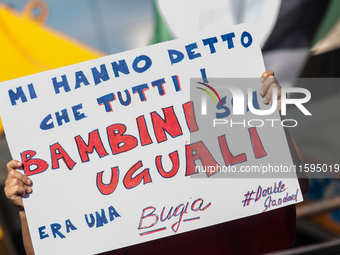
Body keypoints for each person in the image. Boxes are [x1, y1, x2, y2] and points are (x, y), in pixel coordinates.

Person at [4, 71, 309, 255]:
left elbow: (296, 186)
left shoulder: (216, 200)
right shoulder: (111, 223)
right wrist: (27, 209)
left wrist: (275, 122)